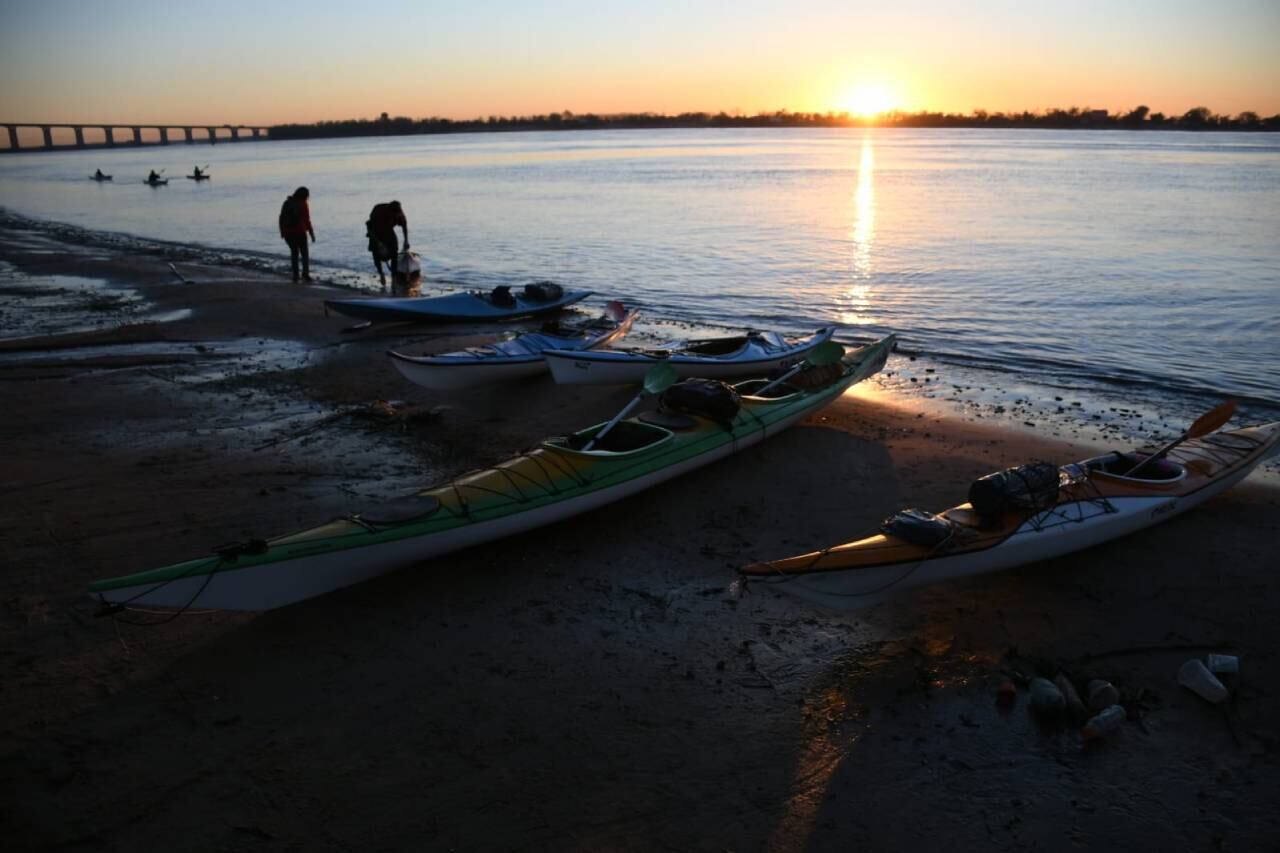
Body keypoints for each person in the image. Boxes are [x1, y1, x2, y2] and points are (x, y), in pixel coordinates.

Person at [366, 200, 409, 287]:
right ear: (390, 212)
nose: (397, 216)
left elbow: (404, 225)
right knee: (376, 255)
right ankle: (381, 274)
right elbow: (370, 228)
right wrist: (379, 244)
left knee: (394, 254)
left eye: (398, 214)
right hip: (375, 231)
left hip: (389, 231)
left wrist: (406, 240)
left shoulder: (399, 213)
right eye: (395, 215)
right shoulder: (379, 210)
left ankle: (393, 277)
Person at [278, 186, 316, 282]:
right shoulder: (303, 204)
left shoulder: (287, 203)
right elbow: (307, 220)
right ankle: (305, 274)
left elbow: (281, 218)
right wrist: (311, 233)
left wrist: (282, 232)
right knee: (304, 254)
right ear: (305, 195)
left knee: (294, 253)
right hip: (300, 232)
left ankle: (295, 275)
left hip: (288, 233)